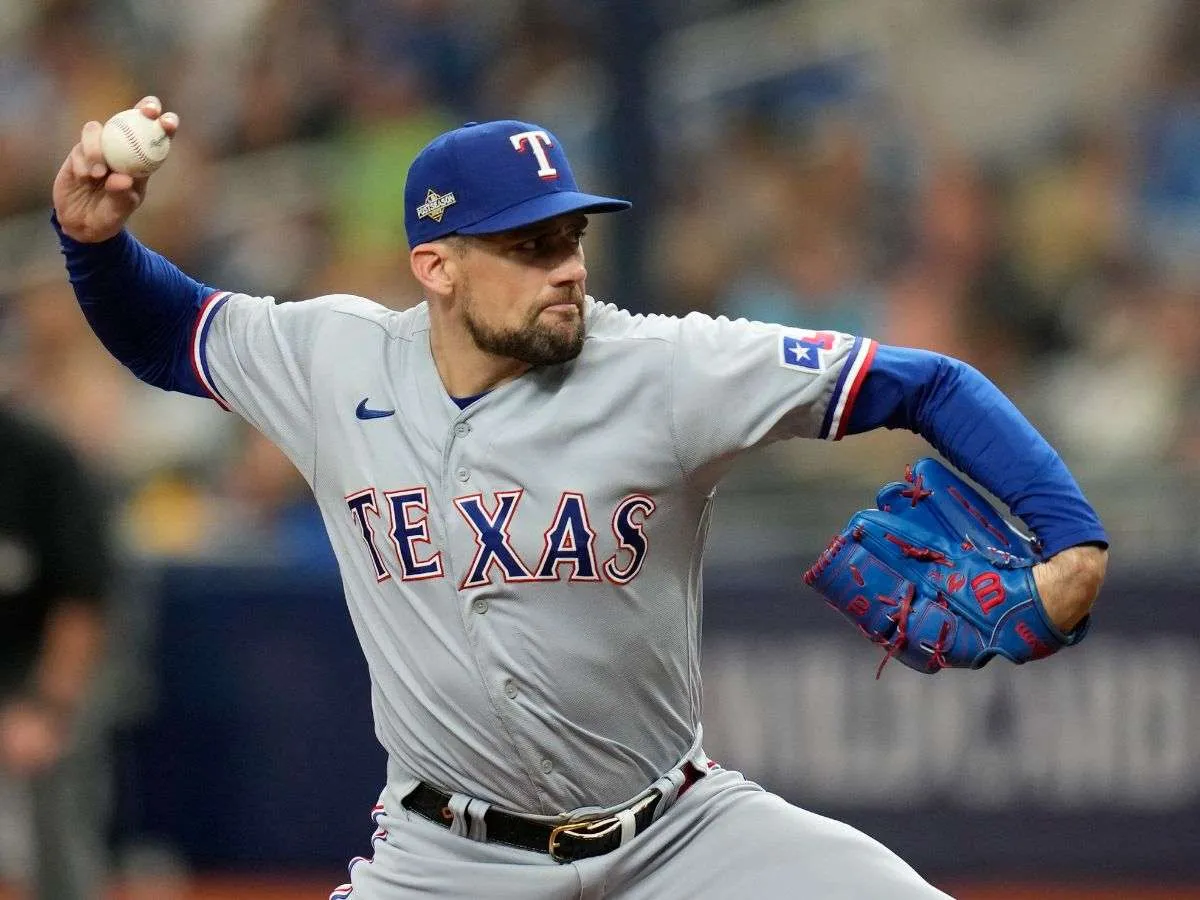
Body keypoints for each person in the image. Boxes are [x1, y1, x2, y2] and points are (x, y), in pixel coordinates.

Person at [51, 97, 1108, 899]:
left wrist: (1073, 541)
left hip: (678, 838)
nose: (563, 268)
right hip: (445, 860)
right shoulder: (334, 360)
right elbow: (168, 331)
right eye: (526, 247)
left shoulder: (666, 368)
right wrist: (93, 243)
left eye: (569, 236)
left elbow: (927, 382)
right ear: (437, 266)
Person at [0, 403, 114, 900]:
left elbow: (82, 601)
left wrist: (47, 710)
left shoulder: (39, 458)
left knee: (55, 794)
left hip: (42, 663)